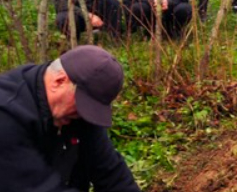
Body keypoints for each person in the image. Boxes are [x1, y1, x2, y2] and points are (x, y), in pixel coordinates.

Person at [0, 45, 140, 191]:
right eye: (84, 104)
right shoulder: (6, 115)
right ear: (59, 81)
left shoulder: (77, 115)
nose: (83, 114)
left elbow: (112, 174)